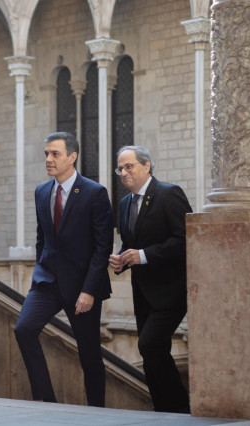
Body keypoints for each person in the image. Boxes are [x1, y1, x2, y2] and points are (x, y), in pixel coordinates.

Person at [14, 132, 114, 407]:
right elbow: (41, 237)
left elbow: (102, 247)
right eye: (46, 153)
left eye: (55, 154)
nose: (48, 159)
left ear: (72, 157)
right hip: (47, 283)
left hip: (83, 287)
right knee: (23, 329)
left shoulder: (95, 193)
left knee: (90, 356)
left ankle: (97, 413)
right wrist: (39, 271)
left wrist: (89, 290)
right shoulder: (41, 191)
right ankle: (47, 401)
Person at [108, 146, 192, 413]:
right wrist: (120, 259)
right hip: (143, 291)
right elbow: (130, 243)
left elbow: (186, 239)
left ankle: (179, 408)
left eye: (129, 166)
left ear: (146, 166)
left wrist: (143, 255)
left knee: (149, 344)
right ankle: (164, 410)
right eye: (120, 168)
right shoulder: (124, 203)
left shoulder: (169, 194)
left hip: (172, 290)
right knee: (152, 351)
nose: (123, 172)